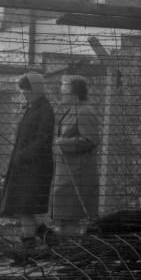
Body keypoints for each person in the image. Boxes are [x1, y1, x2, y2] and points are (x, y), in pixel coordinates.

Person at [0, 72, 55, 259]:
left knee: (25, 208)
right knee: (23, 208)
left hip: (35, 168)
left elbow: (43, 139)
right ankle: (49, 239)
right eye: (23, 92)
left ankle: (28, 251)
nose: (25, 95)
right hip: (24, 166)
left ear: (37, 89)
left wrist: (24, 154)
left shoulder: (45, 110)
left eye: (28, 92)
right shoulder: (32, 108)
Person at [50, 75, 100, 235]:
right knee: (64, 216)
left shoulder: (85, 111)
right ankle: (67, 250)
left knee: (71, 216)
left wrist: (61, 143)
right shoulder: (73, 110)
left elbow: (90, 140)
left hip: (78, 173)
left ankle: (71, 250)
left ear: (75, 93)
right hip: (67, 172)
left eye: (64, 91)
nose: (61, 94)